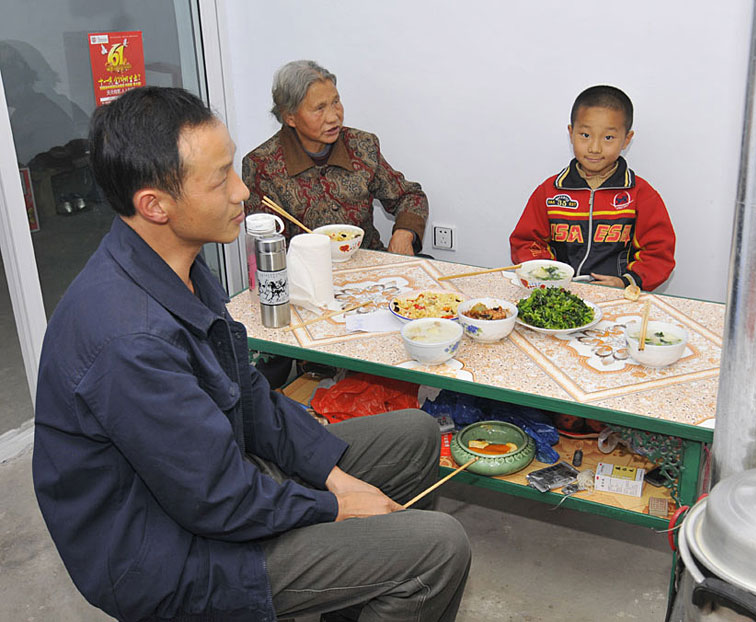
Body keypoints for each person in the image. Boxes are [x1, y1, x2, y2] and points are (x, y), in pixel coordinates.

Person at [31, 86, 470, 622]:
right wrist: (335, 505)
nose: (242, 191)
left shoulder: (179, 265)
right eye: (221, 179)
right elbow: (218, 501)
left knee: (415, 436)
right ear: (155, 205)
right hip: (174, 553)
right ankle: (380, 569)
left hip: (218, 478)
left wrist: (331, 475)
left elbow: (248, 394)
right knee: (439, 548)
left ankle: (357, 587)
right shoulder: (129, 341)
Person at [243, 60, 427, 255]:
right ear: (290, 117)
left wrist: (404, 233)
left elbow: (409, 196)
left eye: (336, 102)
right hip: (306, 268)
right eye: (319, 108)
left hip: (367, 262)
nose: (333, 117)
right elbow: (268, 246)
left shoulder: (361, 146)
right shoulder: (262, 166)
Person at [509, 85, 676, 291]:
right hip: (557, 294)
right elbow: (526, 242)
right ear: (571, 133)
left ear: (627, 139)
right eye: (585, 135)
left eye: (608, 138)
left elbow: (659, 254)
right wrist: (550, 276)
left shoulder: (640, 195)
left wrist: (626, 281)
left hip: (616, 297)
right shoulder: (549, 192)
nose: (594, 148)